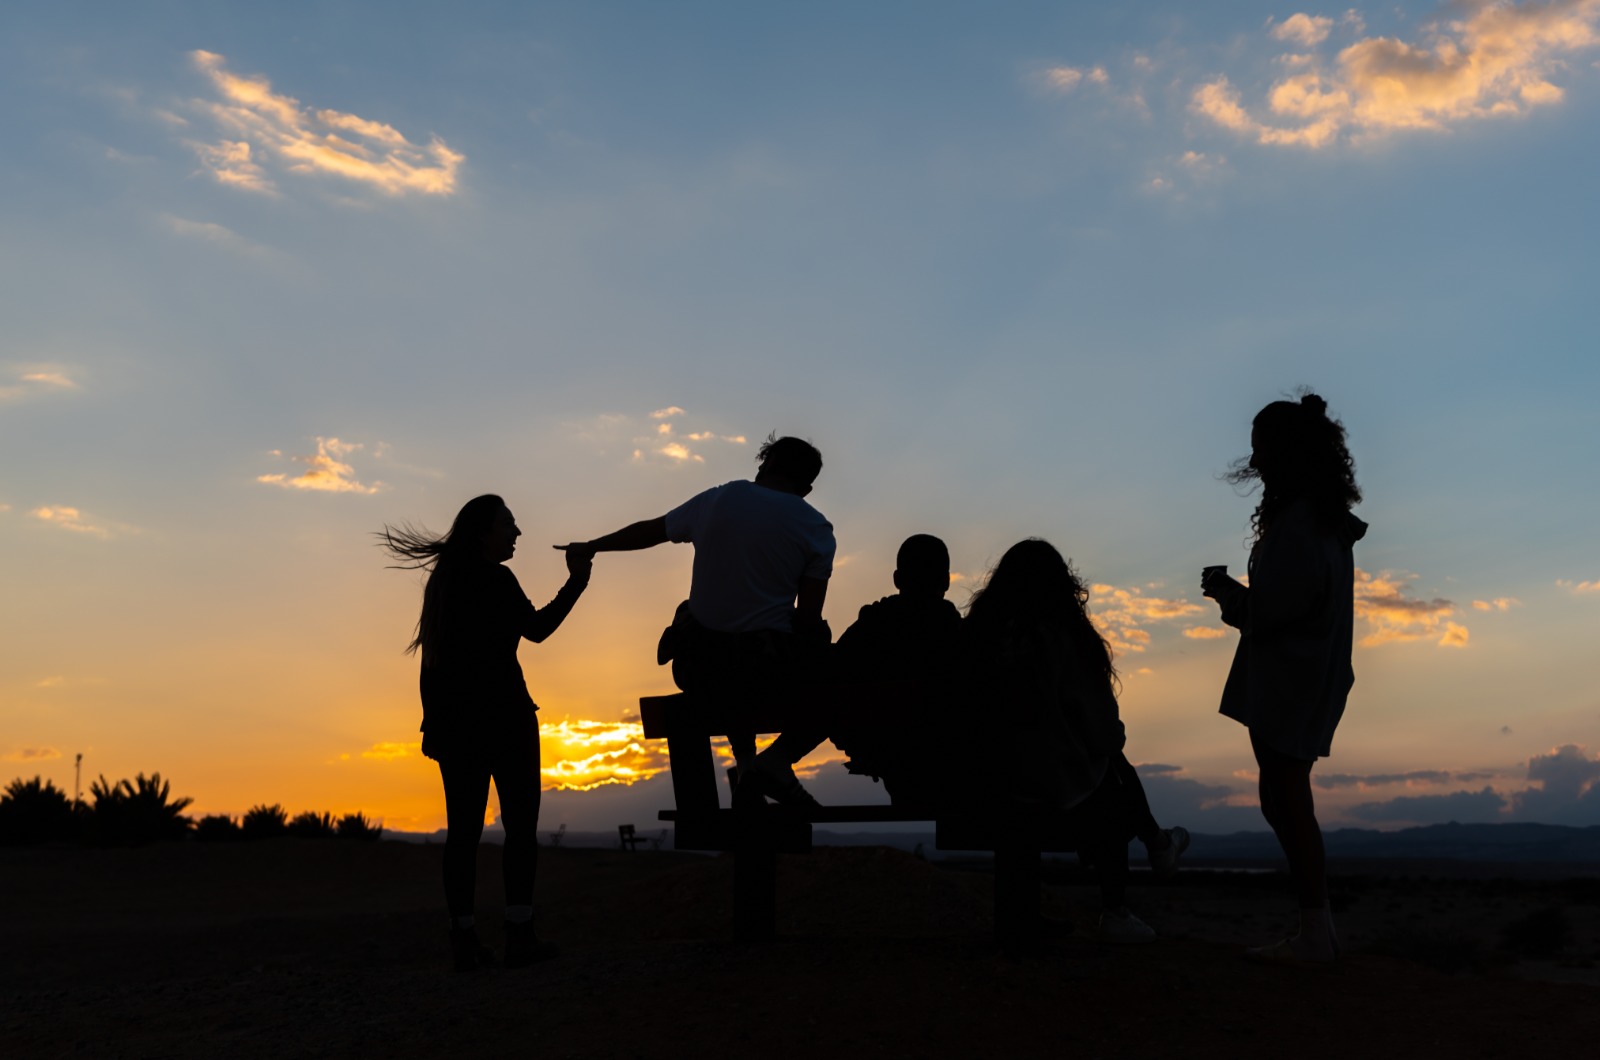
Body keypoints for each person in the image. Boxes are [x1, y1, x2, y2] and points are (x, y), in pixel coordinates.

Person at [559, 434, 835, 805]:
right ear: (807, 487)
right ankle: (775, 761)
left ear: (765, 465)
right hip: (766, 673)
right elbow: (807, 622)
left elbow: (650, 531)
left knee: (709, 627)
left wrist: (592, 546)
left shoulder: (718, 499)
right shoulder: (816, 528)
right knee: (815, 642)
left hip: (699, 669)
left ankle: (748, 762)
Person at [379, 495, 591, 971]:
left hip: (456, 726)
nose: (517, 534)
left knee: (463, 834)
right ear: (484, 532)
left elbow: (430, 666)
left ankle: (464, 939)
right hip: (506, 720)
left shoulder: (443, 584)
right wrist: (576, 583)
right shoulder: (495, 579)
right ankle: (519, 935)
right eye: (509, 525)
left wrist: (433, 723)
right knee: (519, 829)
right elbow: (537, 630)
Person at [1202, 391, 1366, 963]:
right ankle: (1314, 929)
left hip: (1291, 678)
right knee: (1283, 796)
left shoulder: (1301, 525)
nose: (1257, 462)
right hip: (1302, 674)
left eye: (1261, 450)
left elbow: (1276, 612)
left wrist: (1227, 595)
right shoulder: (1321, 522)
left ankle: (1316, 933)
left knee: (1287, 797)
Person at [964, 538, 1188, 944]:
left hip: (984, 782)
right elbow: (1103, 733)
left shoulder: (977, 639)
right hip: (1050, 788)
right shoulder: (1063, 638)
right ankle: (1121, 902)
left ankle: (1022, 914)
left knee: (1101, 769)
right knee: (1111, 772)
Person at [830, 534, 963, 803]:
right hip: (943, 755)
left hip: (880, 753)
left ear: (897, 579)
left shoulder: (868, 628)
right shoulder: (959, 634)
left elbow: (831, 677)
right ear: (947, 581)